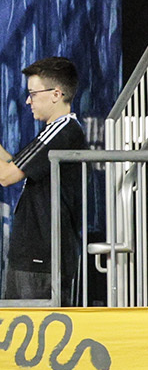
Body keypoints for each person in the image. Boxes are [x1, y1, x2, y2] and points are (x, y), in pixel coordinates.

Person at [1, 56, 91, 303]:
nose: (28, 100)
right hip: (36, 259)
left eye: (33, 93)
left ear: (56, 94)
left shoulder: (61, 131)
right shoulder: (60, 131)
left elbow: (6, 176)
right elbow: (13, 166)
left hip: (41, 260)